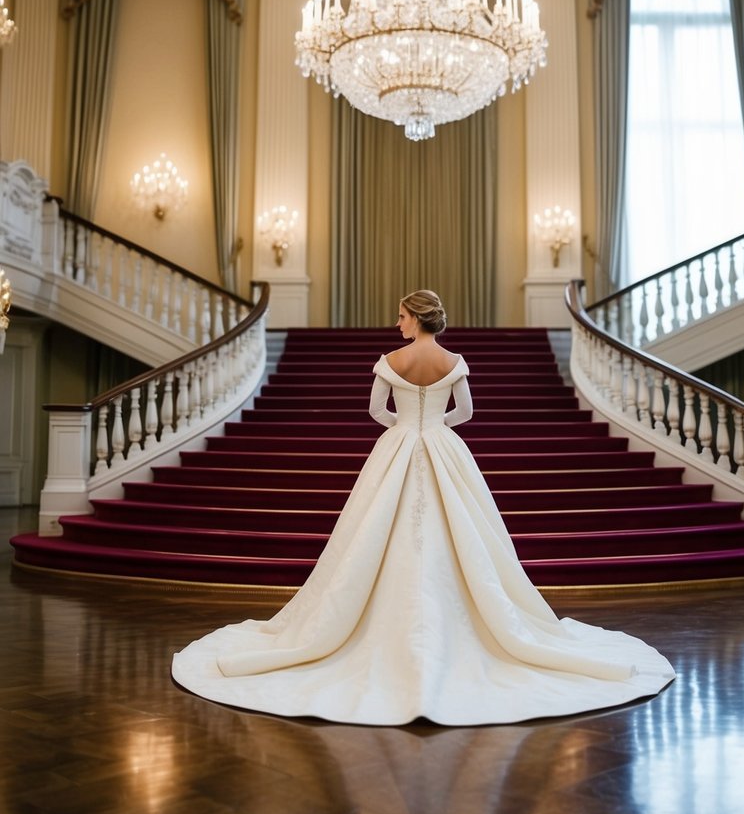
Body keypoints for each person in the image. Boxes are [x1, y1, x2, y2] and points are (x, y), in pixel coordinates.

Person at [172, 290, 675, 725]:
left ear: (416, 318)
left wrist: (403, 428)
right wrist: (436, 428)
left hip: (397, 446)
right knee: (464, 533)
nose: (397, 323)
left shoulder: (391, 360)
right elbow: (468, 412)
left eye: (401, 315)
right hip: (441, 443)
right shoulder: (454, 361)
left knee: (373, 532)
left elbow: (374, 410)